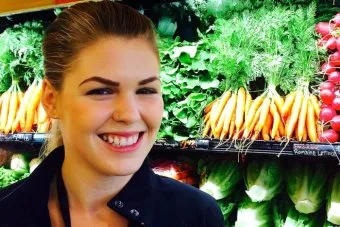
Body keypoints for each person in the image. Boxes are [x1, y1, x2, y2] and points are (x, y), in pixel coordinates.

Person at [0, 1, 224, 226]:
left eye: (146, 90)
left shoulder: (197, 215)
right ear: (51, 100)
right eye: (101, 91)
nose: (129, 114)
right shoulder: (7, 212)